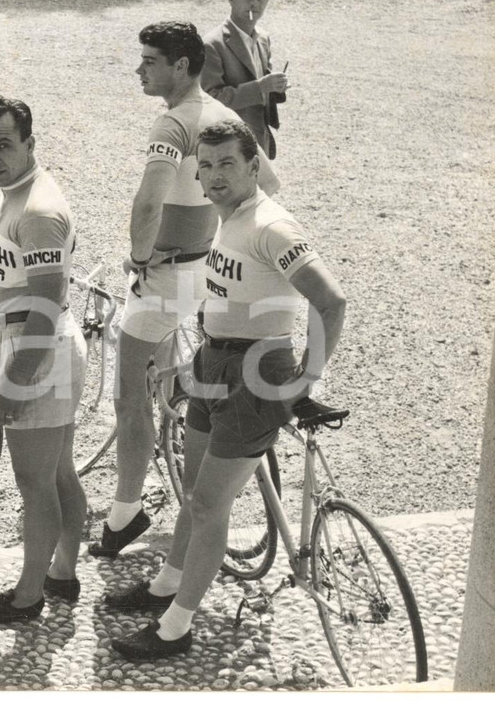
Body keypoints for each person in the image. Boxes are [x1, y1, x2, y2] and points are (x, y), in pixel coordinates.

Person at [110, 119, 346, 660]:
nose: (214, 176)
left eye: (227, 164)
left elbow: (332, 301)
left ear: (253, 166)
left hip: (255, 374)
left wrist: (307, 378)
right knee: (193, 490)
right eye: (206, 166)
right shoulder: (231, 217)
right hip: (214, 361)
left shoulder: (271, 226)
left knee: (211, 503)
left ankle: (176, 627)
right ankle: (167, 583)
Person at [89, 21, 279, 560]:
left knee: (128, 397)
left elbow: (148, 205)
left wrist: (140, 257)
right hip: (210, 267)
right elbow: (269, 185)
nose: (139, 69)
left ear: (180, 66)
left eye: (149, 60)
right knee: (175, 374)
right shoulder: (226, 117)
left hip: (168, 273)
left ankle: (125, 510)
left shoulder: (171, 124)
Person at [0, 96, 88, 623]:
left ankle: (28, 595)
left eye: (5, 146)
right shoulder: (20, 192)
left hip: (36, 348)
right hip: (39, 344)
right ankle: (61, 573)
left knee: (35, 483)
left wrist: (13, 381)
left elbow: (43, 308)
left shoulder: (37, 212)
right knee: (59, 473)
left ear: (30, 144)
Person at [201, 0, 287, 159]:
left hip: (260, 138)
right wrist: (260, 87)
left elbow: (262, 81)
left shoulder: (263, 38)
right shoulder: (211, 44)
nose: (254, 4)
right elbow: (211, 99)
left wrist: (277, 87)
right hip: (228, 142)